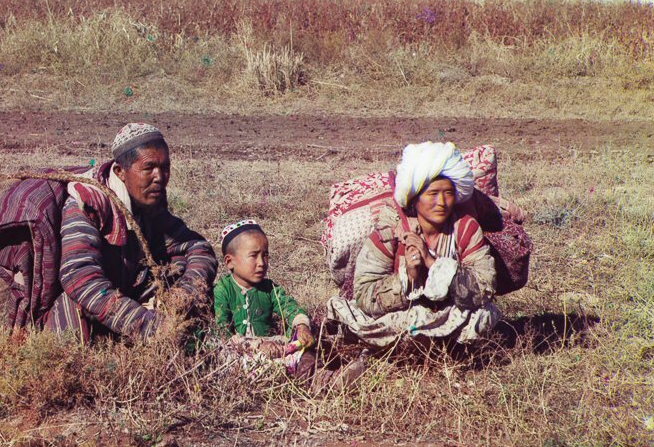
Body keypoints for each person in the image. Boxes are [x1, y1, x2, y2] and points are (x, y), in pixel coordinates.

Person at [45, 123, 218, 342]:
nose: (160, 177)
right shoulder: (86, 204)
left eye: (165, 167)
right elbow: (79, 277)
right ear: (120, 172)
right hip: (101, 304)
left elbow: (197, 246)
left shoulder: (147, 202)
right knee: (76, 304)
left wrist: (186, 292)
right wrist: (147, 326)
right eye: (149, 168)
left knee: (180, 266)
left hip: (128, 293)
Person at [327, 141, 502, 347]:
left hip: (452, 314)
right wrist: (407, 277)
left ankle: (422, 344)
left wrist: (432, 263)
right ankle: (426, 343)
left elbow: (485, 286)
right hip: (402, 315)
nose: (441, 202)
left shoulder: (465, 228)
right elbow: (364, 294)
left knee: (483, 316)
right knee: (362, 318)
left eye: (448, 193)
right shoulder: (390, 232)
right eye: (432, 194)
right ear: (414, 198)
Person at [211, 220, 315, 374]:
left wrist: (301, 326)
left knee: (306, 352)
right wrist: (255, 346)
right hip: (241, 350)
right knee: (226, 357)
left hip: (274, 347)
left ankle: (322, 376)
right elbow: (222, 332)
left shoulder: (270, 288)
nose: (261, 263)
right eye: (253, 256)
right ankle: (286, 371)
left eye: (265, 255)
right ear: (229, 262)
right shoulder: (222, 290)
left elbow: (289, 307)